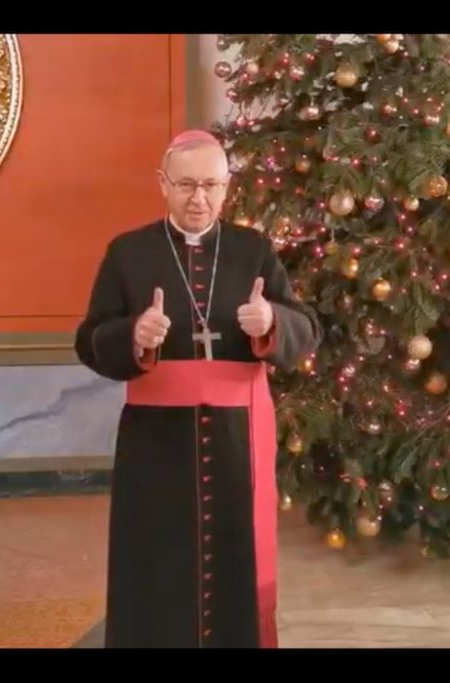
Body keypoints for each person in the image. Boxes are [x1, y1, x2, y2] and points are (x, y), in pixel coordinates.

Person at [75, 129, 322, 648]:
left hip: (238, 437)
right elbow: (89, 339)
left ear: (227, 186)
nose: (199, 198)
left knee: (237, 554)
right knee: (156, 558)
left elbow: (307, 329)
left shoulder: (253, 250)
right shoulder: (127, 252)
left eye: (211, 185)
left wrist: (271, 322)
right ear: (163, 184)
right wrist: (134, 336)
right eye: (186, 184)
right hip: (154, 441)